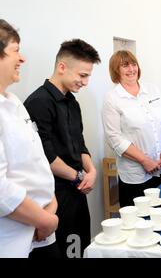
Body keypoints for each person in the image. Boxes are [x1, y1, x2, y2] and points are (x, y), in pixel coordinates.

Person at [24, 39, 101, 257]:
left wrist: (92, 171)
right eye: (82, 75)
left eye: (88, 76)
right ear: (62, 67)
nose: (85, 82)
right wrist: (78, 176)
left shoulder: (72, 102)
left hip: (78, 189)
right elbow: (45, 156)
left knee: (80, 246)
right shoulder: (38, 102)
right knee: (64, 251)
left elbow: (80, 143)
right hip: (55, 195)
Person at [0, 19, 59, 257]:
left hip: (43, 228)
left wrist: (51, 205)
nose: (22, 59)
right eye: (15, 51)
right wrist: (46, 220)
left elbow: (36, 162)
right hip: (15, 240)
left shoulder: (13, 103)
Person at [102, 50, 161, 207]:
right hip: (136, 175)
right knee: (139, 222)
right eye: (125, 65)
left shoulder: (153, 89)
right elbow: (114, 138)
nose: (131, 69)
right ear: (116, 70)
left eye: (133, 64)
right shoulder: (112, 98)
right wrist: (145, 161)